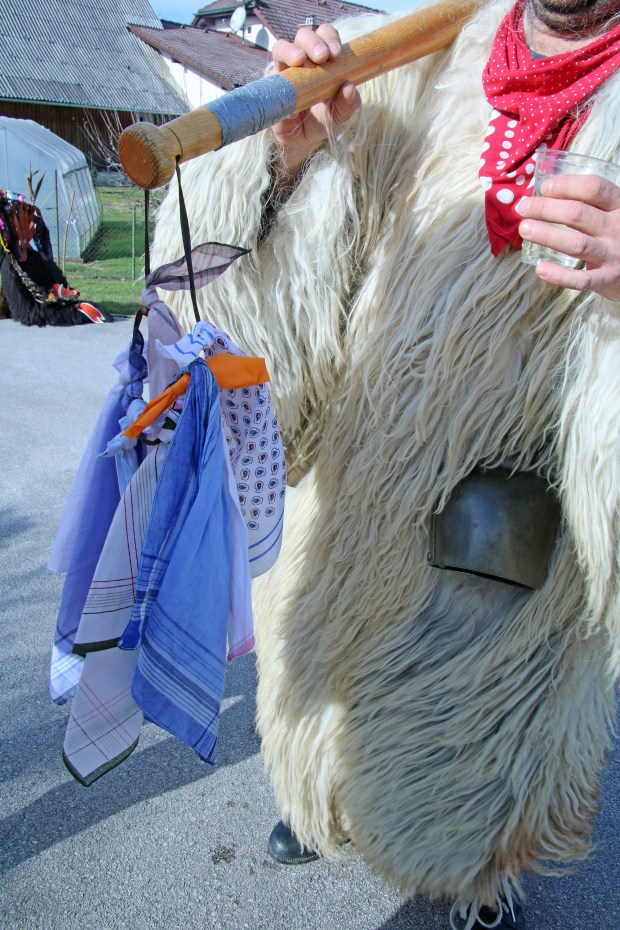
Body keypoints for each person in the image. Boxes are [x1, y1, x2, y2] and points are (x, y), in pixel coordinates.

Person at [151, 1, 620, 926]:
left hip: (514, 513)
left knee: (475, 744)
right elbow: (269, 305)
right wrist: (293, 155)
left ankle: (478, 881)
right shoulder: (421, 50)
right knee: (323, 693)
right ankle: (325, 798)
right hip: (362, 471)